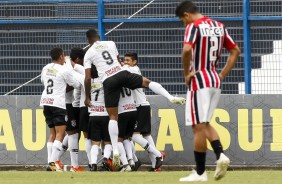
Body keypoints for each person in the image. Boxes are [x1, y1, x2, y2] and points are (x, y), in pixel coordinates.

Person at [83, 30, 186, 168]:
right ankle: (170, 96)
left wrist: (88, 96)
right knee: (147, 82)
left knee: (113, 117)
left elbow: (88, 78)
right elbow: (119, 62)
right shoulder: (110, 43)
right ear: (99, 37)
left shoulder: (88, 53)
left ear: (88, 41)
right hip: (122, 74)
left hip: (108, 80)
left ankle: (115, 151)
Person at [175, 1, 240, 182]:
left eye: (183, 20)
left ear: (187, 15)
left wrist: (187, 74)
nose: (184, 24)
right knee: (203, 124)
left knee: (198, 127)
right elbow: (235, 50)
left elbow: (187, 49)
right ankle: (220, 155)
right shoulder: (219, 26)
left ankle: (201, 172)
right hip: (214, 80)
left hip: (199, 81)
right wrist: (221, 74)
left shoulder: (194, 26)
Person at [123, 52, 165, 171]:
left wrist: (119, 65)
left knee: (134, 136)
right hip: (142, 105)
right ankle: (154, 165)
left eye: (128, 60)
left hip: (140, 106)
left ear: (135, 62)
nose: (126, 62)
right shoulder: (130, 70)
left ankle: (158, 154)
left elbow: (123, 70)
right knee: (146, 135)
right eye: (124, 60)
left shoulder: (134, 70)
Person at [40, 48, 80, 172]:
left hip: (46, 102)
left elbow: (43, 82)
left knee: (52, 134)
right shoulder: (64, 69)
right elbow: (76, 84)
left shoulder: (45, 68)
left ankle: (49, 163)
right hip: (58, 104)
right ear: (62, 56)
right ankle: (53, 162)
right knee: (60, 134)